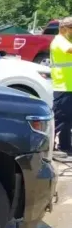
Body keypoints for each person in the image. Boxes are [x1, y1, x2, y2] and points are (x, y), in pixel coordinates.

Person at [50, 16, 72, 155]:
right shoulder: (59, 41)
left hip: (68, 86)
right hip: (62, 86)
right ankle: (47, 147)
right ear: (64, 28)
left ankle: (65, 146)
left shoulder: (65, 40)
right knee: (59, 119)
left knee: (67, 119)